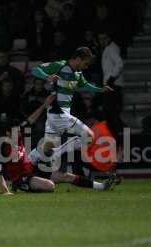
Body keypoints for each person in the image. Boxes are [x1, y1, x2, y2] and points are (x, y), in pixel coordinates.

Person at [31, 47, 113, 183]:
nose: (86, 66)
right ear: (78, 58)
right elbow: (35, 70)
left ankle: (23, 165)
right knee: (89, 137)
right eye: (85, 62)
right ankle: (56, 153)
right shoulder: (60, 65)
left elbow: (85, 85)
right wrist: (47, 76)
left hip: (56, 115)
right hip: (59, 113)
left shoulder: (78, 73)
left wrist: (100, 89)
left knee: (45, 148)